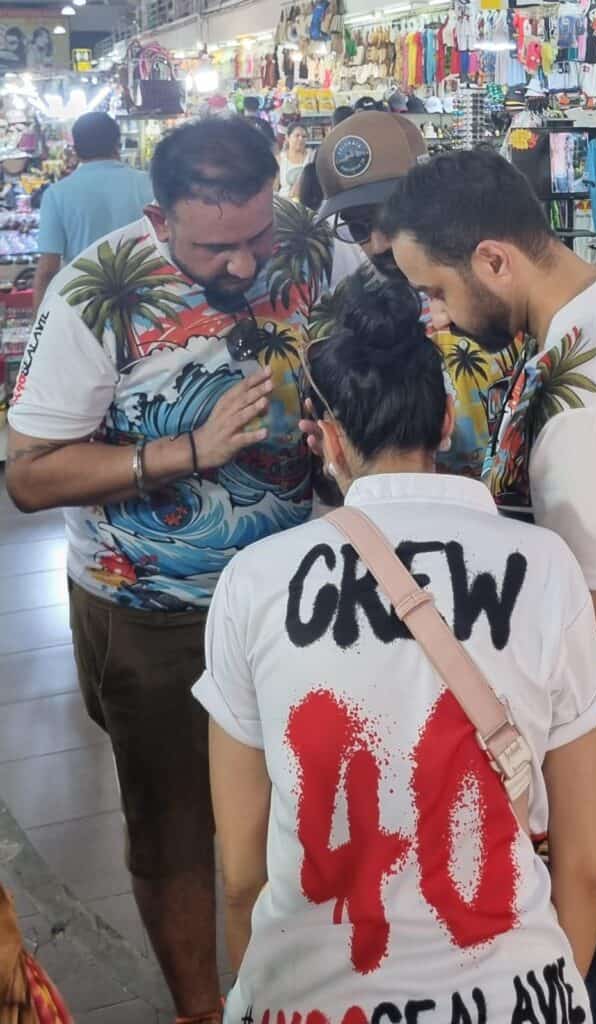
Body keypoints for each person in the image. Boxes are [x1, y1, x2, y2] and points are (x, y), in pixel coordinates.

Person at [195, 274, 596, 1023]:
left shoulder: (252, 582)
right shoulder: (547, 568)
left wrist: (260, 993)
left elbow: (240, 876)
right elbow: (585, 869)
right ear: (446, 419)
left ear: (326, 440)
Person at [5, 117, 336, 1023]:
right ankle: (200, 1008)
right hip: (153, 608)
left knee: (304, 810)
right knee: (174, 829)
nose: (244, 264)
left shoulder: (310, 247)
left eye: (256, 236)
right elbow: (29, 475)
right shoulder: (96, 293)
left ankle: (298, 991)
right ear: (159, 218)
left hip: (297, 594)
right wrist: (185, 452)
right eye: (215, 249)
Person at [381, 148, 596, 1024]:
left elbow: (594, 654)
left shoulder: (590, 413)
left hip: (581, 807)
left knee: (594, 995)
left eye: (437, 290)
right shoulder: (584, 324)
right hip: (588, 791)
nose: (435, 316)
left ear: (494, 260)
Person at [312, 110, 524, 481]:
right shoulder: (345, 312)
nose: (377, 243)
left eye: (388, 217)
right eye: (357, 227)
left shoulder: (496, 284)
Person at [33, 111, 153, 312]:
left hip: (85, 308)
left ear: (76, 150)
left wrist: (38, 321)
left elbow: (48, 270)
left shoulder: (56, 194)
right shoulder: (151, 184)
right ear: (117, 144)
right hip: (145, 303)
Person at [277, 123, 311, 198]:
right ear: (287, 137)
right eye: (297, 136)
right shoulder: (280, 158)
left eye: (304, 136)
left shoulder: (312, 157)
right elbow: (274, 187)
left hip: (306, 202)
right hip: (284, 202)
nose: (301, 139)